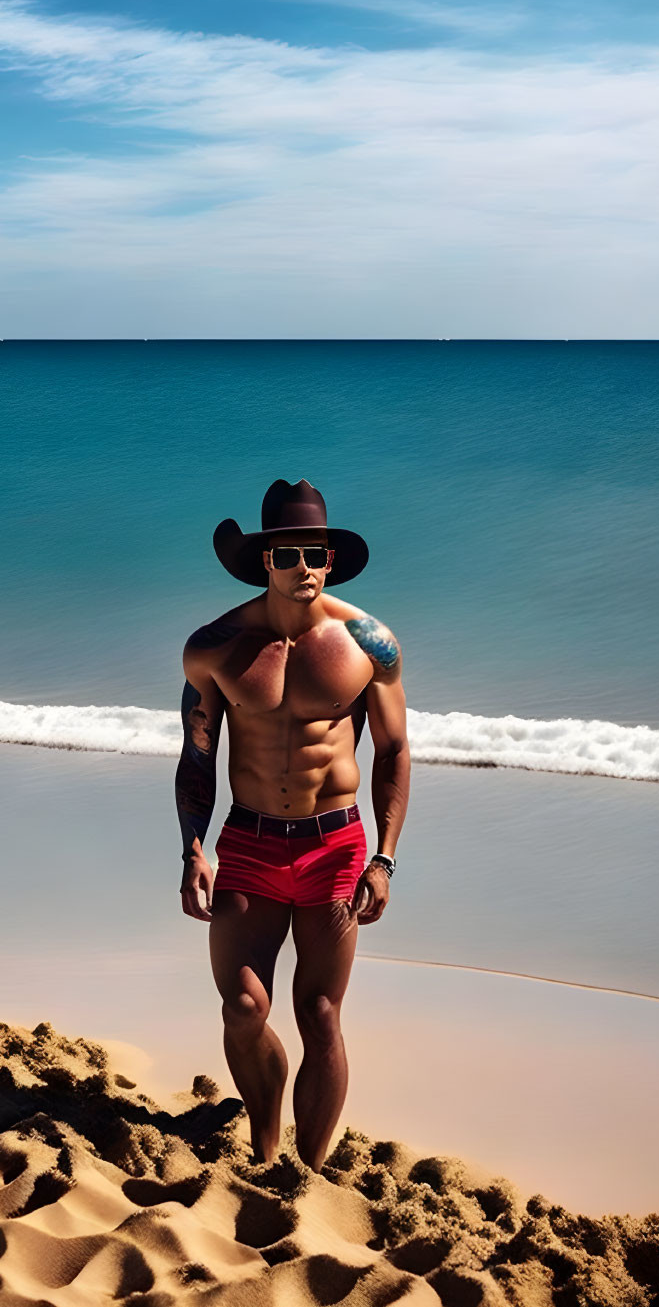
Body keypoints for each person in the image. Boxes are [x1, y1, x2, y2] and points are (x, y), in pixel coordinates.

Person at [177, 478, 409, 1169]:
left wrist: (385, 858)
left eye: (315, 552)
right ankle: (263, 1139)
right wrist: (192, 846)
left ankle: (306, 1170)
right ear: (264, 563)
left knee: (319, 1013)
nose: (302, 565)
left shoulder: (370, 642)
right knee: (243, 1008)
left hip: (335, 846)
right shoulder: (215, 646)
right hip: (246, 843)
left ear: (330, 560)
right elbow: (196, 753)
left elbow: (393, 750)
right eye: (287, 554)